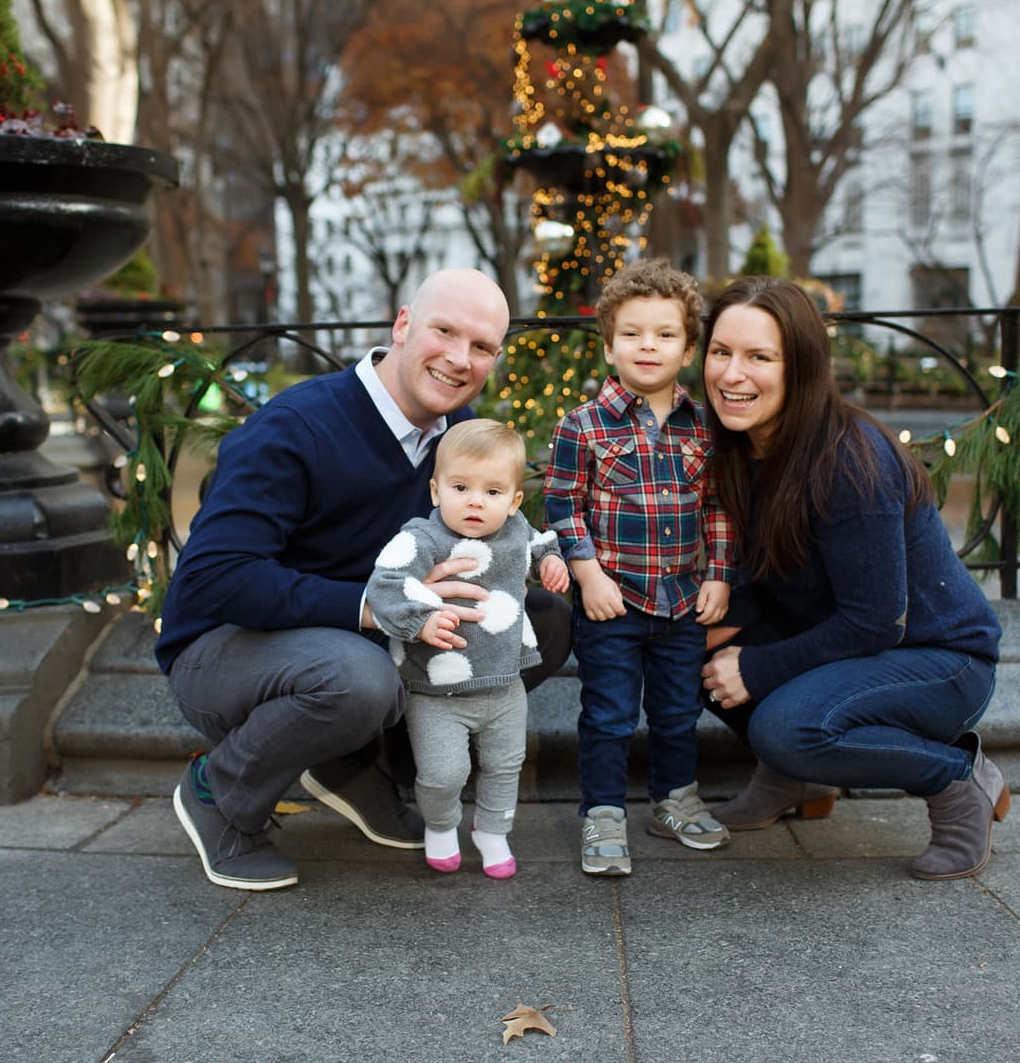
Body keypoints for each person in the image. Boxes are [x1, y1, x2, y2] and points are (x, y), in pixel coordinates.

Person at [158, 268, 573, 891]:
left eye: (483, 347)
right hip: (228, 652)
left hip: (353, 641)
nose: (460, 360)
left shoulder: (454, 441)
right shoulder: (297, 425)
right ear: (403, 324)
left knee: (533, 620)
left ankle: (360, 770)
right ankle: (219, 791)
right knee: (358, 678)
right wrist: (382, 608)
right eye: (445, 331)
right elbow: (215, 579)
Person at [699, 275, 1006, 881]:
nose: (732, 375)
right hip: (846, 644)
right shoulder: (737, 445)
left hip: (937, 658)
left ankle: (955, 778)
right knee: (674, 641)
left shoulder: (848, 458)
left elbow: (876, 621)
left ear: (802, 367)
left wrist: (756, 667)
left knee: (789, 725)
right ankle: (791, 778)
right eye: (720, 352)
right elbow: (768, 579)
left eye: (760, 357)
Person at [544, 258, 735, 877]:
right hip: (612, 604)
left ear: (687, 348)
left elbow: (718, 506)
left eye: (664, 334)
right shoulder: (583, 426)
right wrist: (587, 573)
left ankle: (673, 799)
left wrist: (719, 574)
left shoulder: (704, 429)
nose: (647, 346)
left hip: (682, 602)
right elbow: (563, 505)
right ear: (608, 345)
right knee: (608, 714)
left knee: (679, 711)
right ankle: (601, 813)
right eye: (631, 333)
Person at [366, 420, 569, 879]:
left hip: (503, 685)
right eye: (461, 487)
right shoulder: (423, 538)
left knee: (505, 765)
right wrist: (421, 620)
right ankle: (440, 824)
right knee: (443, 772)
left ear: (514, 501)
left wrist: (551, 561)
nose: (476, 500)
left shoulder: (515, 528)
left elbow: (539, 544)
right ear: (437, 491)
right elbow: (385, 583)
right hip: (437, 688)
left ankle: (493, 832)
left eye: (493, 492)